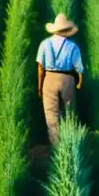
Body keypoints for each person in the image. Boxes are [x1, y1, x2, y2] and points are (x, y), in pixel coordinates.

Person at [36, 12, 84, 146]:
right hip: (67, 79)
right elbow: (79, 68)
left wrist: (40, 87)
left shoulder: (44, 44)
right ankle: (71, 144)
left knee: (51, 115)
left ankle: (56, 147)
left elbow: (40, 68)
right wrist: (79, 83)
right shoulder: (73, 46)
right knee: (69, 113)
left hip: (49, 79)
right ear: (67, 30)